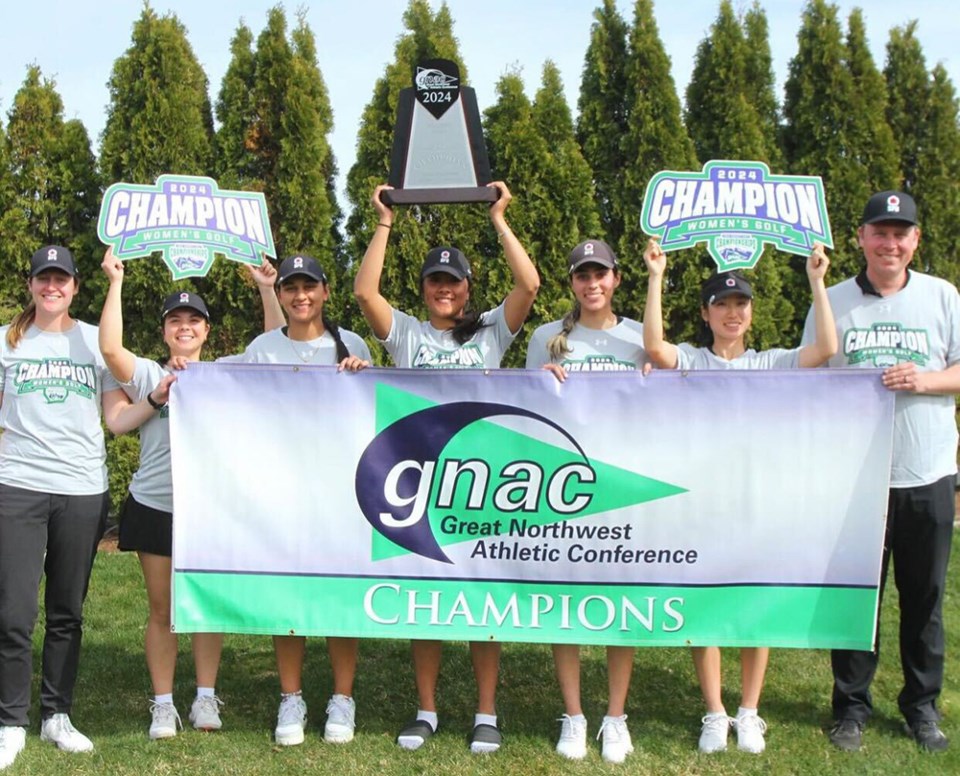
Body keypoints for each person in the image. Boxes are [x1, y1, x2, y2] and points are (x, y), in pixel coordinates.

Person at [354, 180, 539, 754]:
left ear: (466, 289)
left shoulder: (490, 331)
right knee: (426, 602)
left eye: (452, 282)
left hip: (480, 484)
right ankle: (426, 709)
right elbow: (365, 294)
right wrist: (384, 221)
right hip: (420, 483)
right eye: (435, 281)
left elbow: (529, 285)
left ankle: (486, 712)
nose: (443, 290)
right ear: (426, 289)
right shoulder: (406, 333)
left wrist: (500, 219)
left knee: (483, 601)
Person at [643, 237, 837, 754]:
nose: (732, 312)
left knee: (757, 606)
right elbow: (655, 348)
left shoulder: (771, 363)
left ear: (751, 313)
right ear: (707, 313)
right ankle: (715, 712)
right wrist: (656, 276)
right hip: (704, 506)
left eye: (740, 304)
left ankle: (749, 711)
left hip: (758, 506)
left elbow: (826, 350)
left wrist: (817, 283)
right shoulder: (691, 360)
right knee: (705, 606)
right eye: (722, 304)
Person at [97, 249, 285, 740]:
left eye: (193, 319)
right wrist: (115, 281)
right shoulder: (145, 375)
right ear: (164, 330)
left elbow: (272, 350)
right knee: (162, 610)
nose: (185, 326)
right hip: (155, 505)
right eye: (175, 319)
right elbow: (111, 349)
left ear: (206, 329)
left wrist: (268, 288)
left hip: (210, 509)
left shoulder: (225, 370)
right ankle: (163, 705)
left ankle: (204, 697)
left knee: (204, 604)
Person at [810, 191, 959, 754]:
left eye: (901, 233)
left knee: (924, 600)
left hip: (926, 472)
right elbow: (812, 374)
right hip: (857, 477)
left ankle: (922, 708)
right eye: (880, 231)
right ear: (861, 237)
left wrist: (926, 380)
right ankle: (850, 708)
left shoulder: (943, 297)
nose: (890, 242)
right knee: (857, 598)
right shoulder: (835, 299)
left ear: (915, 240)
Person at [223, 253, 370, 747]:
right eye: (291, 287)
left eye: (309, 286)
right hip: (282, 492)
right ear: (281, 295)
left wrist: (362, 375)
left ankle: (343, 698)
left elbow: (371, 412)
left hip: (340, 495)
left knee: (337, 595)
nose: (300, 295)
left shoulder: (350, 344)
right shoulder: (262, 347)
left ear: (326, 292)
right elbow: (235, 399)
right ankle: (291, 696)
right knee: (287, 593)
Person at [0, 246, 130, 770]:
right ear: (31, 285)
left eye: (61, 279)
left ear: (76, 286)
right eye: (43, 279)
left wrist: (161, 396)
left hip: (81, 490)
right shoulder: (8, 343)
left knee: (66, 612)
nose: (51, 287)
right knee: (12, 612)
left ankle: (56, 714)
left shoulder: (96, 342)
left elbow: (117, 419)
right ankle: (10, 720)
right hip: (18, 487)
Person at [525, 238, 644, 763]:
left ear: (616, 278)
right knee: (566, 605)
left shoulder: (642, 339)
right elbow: (524, 408)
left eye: (601, 274)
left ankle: (615, 717)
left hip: (625, 489)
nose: (592, 283)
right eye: (582, 275)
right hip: (563, 491)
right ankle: (573, 715)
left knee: (622, 605)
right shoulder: (547, 338)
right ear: (571, 282)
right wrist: (539, 383)